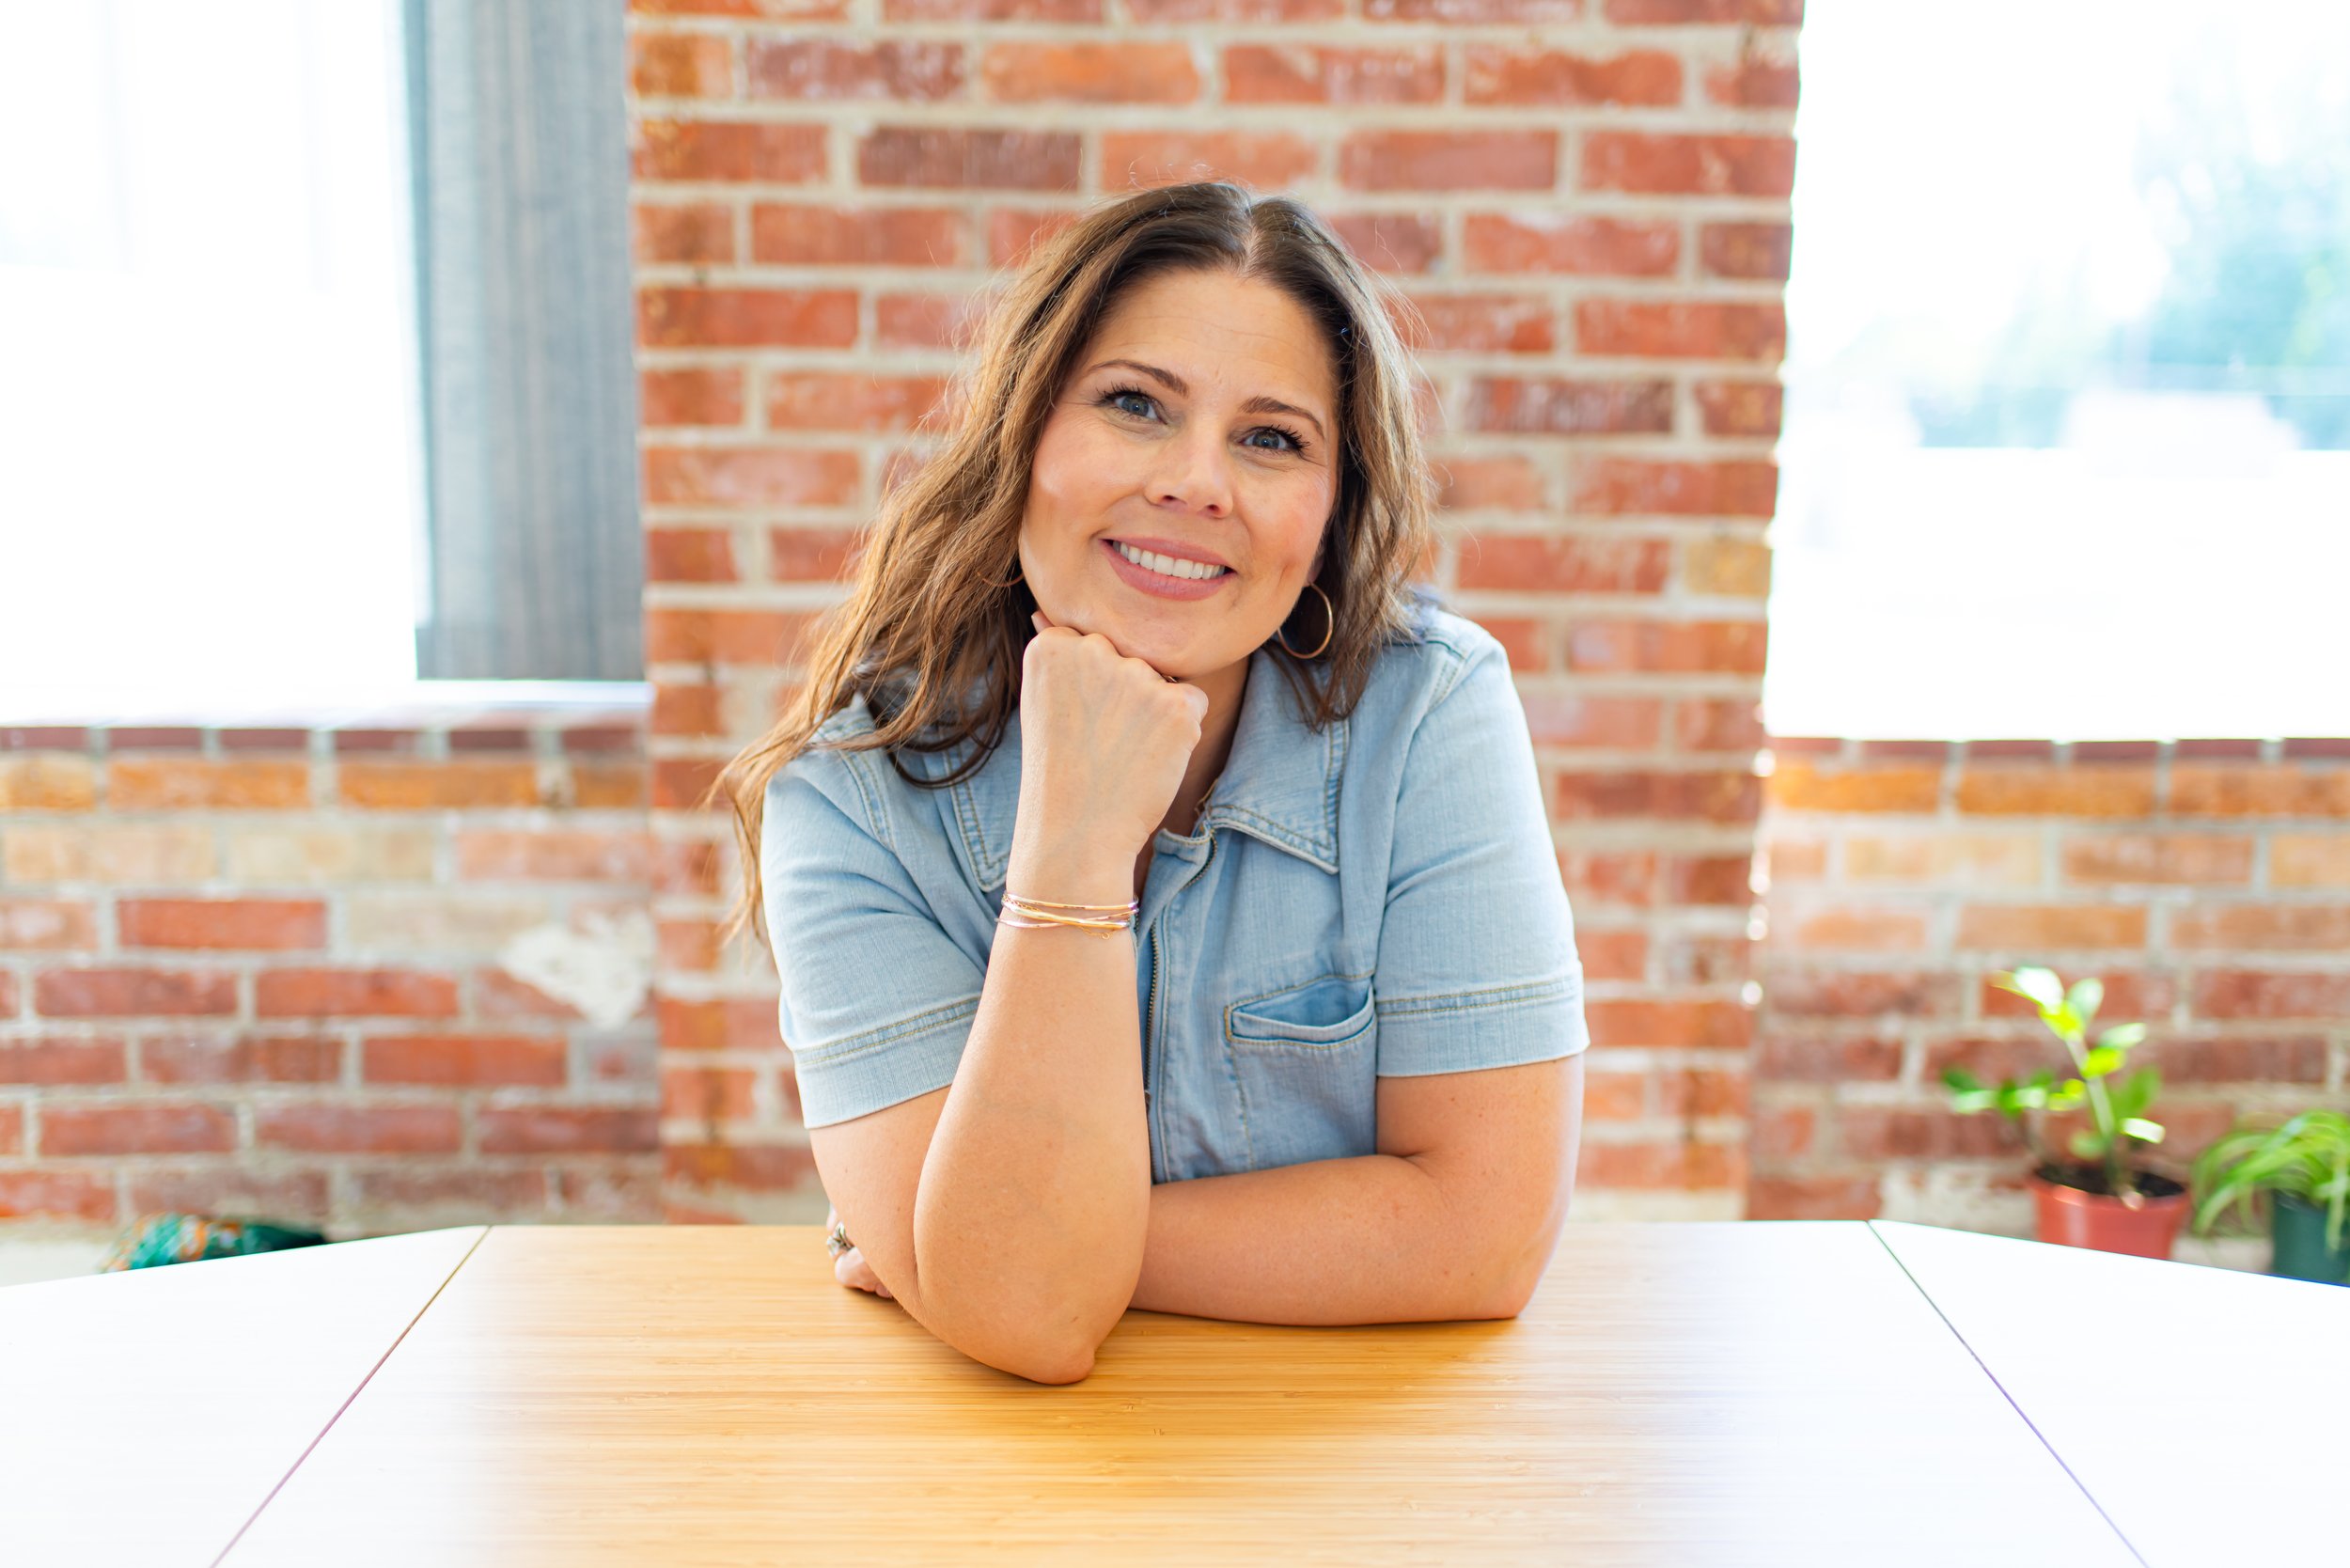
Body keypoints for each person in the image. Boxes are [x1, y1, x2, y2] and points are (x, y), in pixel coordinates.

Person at [707, 180, 1588, 1385]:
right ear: (1022, 437)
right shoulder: (851, 801)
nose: (1195, 482)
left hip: (1354, 1462)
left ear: (1329, 513)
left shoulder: (1427, 711)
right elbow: (1028, 1328)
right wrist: (1070, 844)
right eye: (1134, 406)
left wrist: (1005, 1252)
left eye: (1271, 437)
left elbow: (1484, 1242)